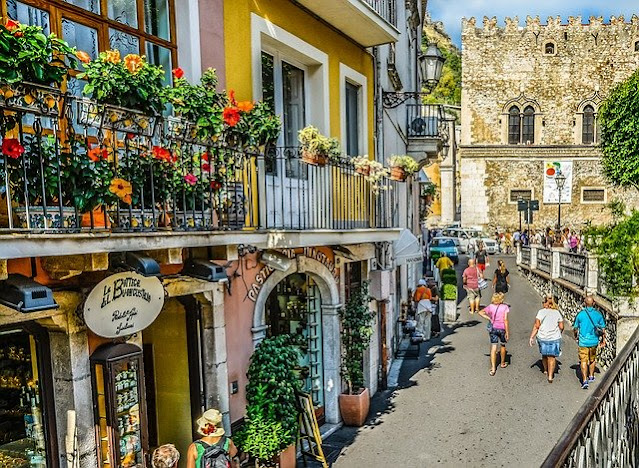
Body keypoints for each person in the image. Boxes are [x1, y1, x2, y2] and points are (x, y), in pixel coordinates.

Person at [529, 294, 564, 383]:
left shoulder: (541, 312)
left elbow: (537, 326)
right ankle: (550, 376)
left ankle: (545, 370)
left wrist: (531, 337)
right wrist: (559, 332)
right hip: (554, 338)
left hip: (543, 337)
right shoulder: (557, 313)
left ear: (545, 303)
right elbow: (561, 326)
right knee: (552, 357)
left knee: (544, 355)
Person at [573, 296, 606, 389]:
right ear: (594, 303)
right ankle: (591, 376)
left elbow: (575, 328)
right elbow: (603, 328)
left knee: (583, 361)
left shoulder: (580, 315)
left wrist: (576, 336)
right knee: (592, 359)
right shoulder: (598, 315)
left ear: (584, 303)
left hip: (583, 342)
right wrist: (603, 340)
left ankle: (584, 380)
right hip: (594, 341)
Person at [479, 293, 510, 376]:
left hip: (493, 328)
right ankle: (502, 363)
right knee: (503, 345)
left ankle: (493, 368)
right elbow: (505, 320)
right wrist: (507, 332)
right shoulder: (505, 307)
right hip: (502, 328)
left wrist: (490, 318)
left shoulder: (491, 306)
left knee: (494, 346)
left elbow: (481, 312)